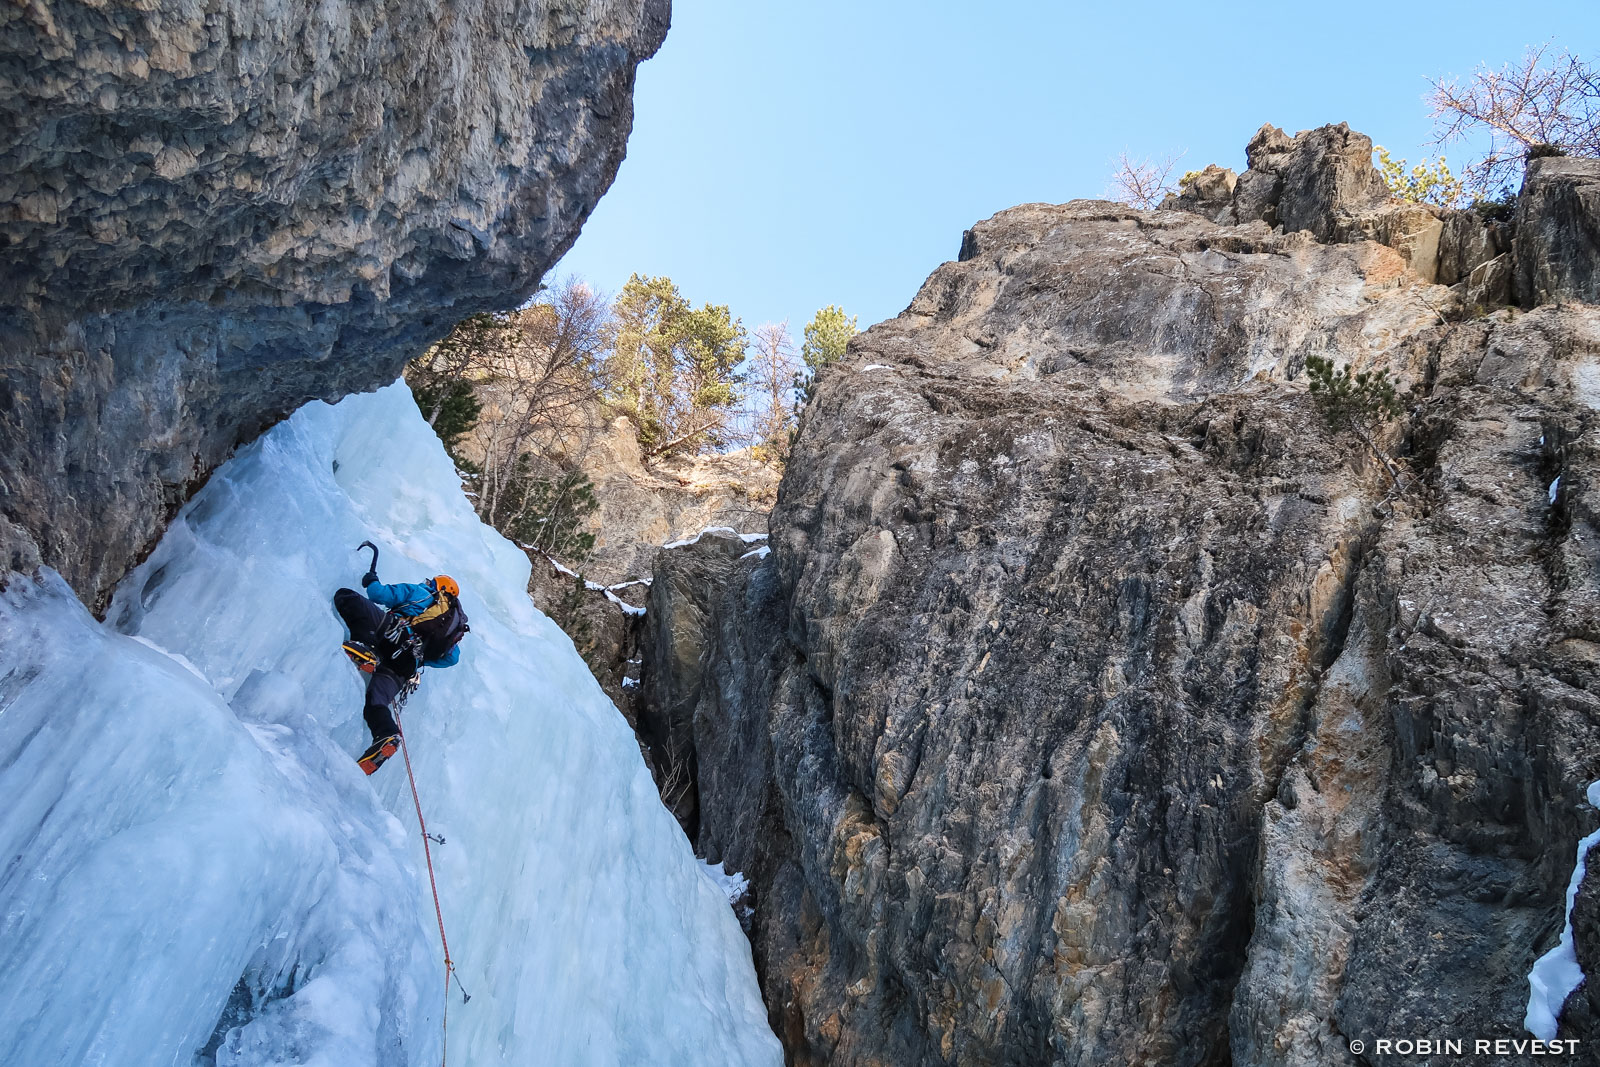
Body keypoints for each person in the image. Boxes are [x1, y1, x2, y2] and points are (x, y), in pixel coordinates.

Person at [334, 561, 469, 774]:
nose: (427, 583)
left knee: (346, 597)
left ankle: (366, 648)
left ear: (438, 586)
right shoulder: (452, 627)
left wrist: (371, 580)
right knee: (375, 703)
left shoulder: (422, 593)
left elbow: (379, 595)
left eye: (431, 582)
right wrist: (420, 658)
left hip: (393, 636)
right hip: (404, 668)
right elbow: (452, 659)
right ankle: (387, 734)